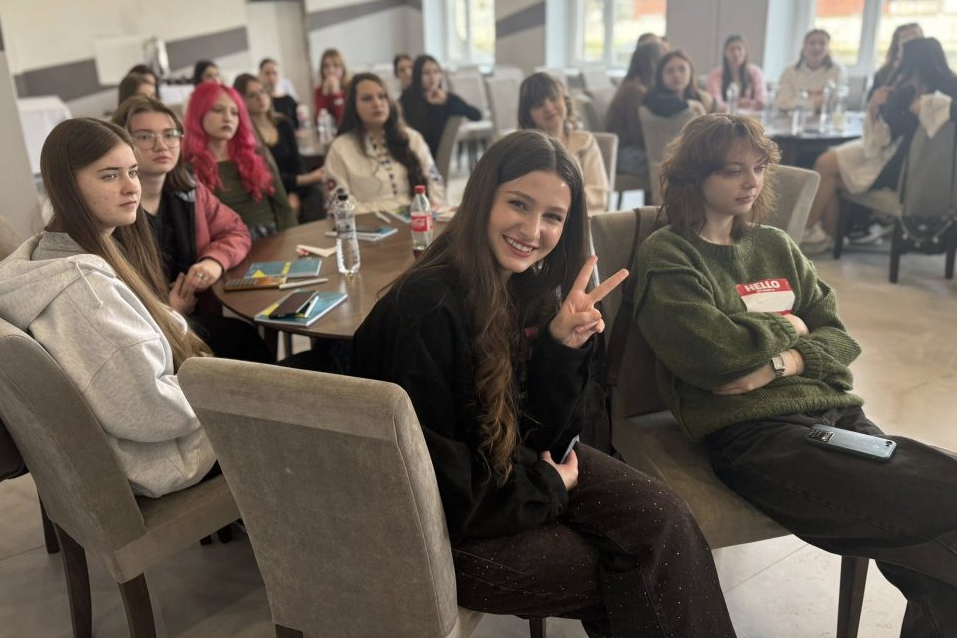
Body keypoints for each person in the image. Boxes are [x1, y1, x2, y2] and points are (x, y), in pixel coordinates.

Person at [352, 130, 735, 637]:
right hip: (440, 526)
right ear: (483, 197)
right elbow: (439, 489)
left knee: (666, 520)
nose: (533, 230)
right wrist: (548, 487)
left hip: (507, 476)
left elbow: (549, 438)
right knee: (637, 569)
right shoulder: (426, 309)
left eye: (553, 216)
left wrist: (560, 348)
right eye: (518, 203)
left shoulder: (522, 289)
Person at [633, 113, 957, 638]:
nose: (751, 182)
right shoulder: (669, 253)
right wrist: (792, 324)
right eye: (733, 170)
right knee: (944, 502)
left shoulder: (775, 245)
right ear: (694, 176)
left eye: (759, 167)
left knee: (937, 550)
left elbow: (840, 338)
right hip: (757, 435)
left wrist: (781, 363)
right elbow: (711, 354)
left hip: (837, 414)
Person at [0, 118, 216, 498]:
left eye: (132, 171)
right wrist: (224, 398)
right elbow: (149, 410)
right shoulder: (85, 295)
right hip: (173, 458)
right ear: (66, 186)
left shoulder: (57, 253)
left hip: (164, 438)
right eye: (109, 176)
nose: (131, 187)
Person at [111, 95, 272, 363]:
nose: (161, 145)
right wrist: (170, 310)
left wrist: (214, 262)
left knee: (247, 339)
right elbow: (113, 302)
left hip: (190, 319)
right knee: (244, 342)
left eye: (170, 134)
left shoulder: (189, 189)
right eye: (145, 136)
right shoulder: (114, 208)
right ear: (122, 144)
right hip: (147, 339)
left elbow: (236, 230)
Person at [801, 37, 957, 252]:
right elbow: (886, 132)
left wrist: (923, 106)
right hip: (886, 153)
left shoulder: (950, 89)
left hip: (911, 169)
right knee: (826, 165)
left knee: (829, 172)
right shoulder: (906, 90)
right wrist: (875, 106)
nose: (897, 63)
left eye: (901, 58)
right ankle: (821, 234)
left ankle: (811, 233)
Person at [182, 80, 297, 239]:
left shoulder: (257, 154)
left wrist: (293, 242)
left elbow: (283, 207)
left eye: (234, 112)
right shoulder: (188, 168)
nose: (228, 118)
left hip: (274, 239)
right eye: (218, 110)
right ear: (198, 114)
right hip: (228, 246)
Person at [323, 73, 444, 214]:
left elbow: (434, 181)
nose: (377, 104)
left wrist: (431, 209)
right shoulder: (340, 147)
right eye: (367, 98)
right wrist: (381, 215)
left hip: (417, 217)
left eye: (382, 96)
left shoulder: (412, 138)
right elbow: (338, 203)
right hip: (366, 222)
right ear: (353, 106)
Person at [234, 73, 323, 222]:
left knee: (315, 195)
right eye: (252, 95)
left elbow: (296, 162)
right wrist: (302, 182)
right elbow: (264, 175)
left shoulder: (282, 123)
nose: (260, 98)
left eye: (262, 91)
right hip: (270, 191)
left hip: (294, 184)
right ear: (241, 100)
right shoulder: (244, 134)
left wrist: (294, 193)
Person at [518, 72, 609, 215]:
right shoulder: (524, 149)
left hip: (582, 219)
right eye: (539, 105)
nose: (548, 107)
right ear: (528, 115)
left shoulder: (585, 142)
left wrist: (556, 202)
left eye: (553, 98)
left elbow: (599, 195)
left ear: (565, 101)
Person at [398, 54, 482, 158]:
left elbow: (476, 115)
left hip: (432, 157)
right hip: (412, 154)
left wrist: (447, 101)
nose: (432, 77)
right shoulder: (407, 98)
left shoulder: (447, 99)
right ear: (417, 76)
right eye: (426, 73)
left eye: (436, 72)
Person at [603, 40, 663, 179]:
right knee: (669, 166)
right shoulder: (635, 91)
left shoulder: (634, 86)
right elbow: (637, 135)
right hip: (622, 154)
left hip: (625, 150)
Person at [774, 29, 845, 112]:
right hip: (791, 117)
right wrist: (815, 103)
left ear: (828, 49)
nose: (817, 47)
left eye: (822, 43)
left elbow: (833, 102)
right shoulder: (789, 72)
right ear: (804, 47)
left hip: (824, 118)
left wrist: (799, 102)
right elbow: (783, 102)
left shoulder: (836, 71)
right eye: (812, 43)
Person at [642, 49, 715, 119]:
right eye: (670, 71)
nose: (676, 75)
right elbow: (661, 106)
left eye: (682, 69)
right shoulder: (653, 97)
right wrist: (690, 104)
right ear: (660, 76)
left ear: (690, 72)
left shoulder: (702, 97)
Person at [705, 34, 765, 111]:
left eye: (739, 48)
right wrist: (737, 104)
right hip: (725, 116)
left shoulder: (756, 72)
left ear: (746, 51)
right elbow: (716, 104)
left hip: (752, 116)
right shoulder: (715, 75)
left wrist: (753, 104)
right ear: (725, 53)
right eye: (731, 49)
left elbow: (761, 100)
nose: (736, 53)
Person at [869, 23, 923, 93]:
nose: (912, 43)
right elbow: (871, 98)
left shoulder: (929, 71)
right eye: (906, 38)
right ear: (897, 44)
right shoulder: (884, 73)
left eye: (915, 38)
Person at [258, 58, 300, 126]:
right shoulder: (259, 101)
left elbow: (298, 124)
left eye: (274, 73)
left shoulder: (289, 100)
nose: (271, 77)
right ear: (260, 75)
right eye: (267, 73)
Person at [313, 48, 349, 127]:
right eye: (326, 66)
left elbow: (342, 120)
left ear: (343, 69)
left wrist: (336, 93)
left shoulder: (349, 88)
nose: (331, 70)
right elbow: (318, 121)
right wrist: (325, 93)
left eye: (335, 65)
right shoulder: (318, 90)